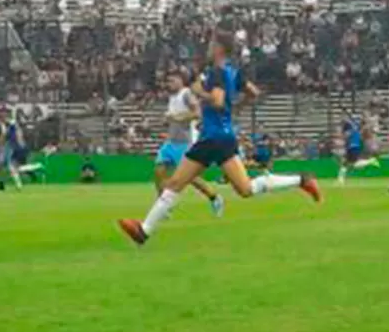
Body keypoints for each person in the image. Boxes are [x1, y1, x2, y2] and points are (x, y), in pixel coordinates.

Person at [118, 32, 322, 246]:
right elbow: (253, 92)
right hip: (222, 137)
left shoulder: (216, 72)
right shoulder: (234, 72)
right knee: (245, 189)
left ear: (219, 49)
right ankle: (301, 180)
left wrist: (199, 92)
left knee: (177, 183)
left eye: (212, 44)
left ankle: (144, 230)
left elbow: (217, 101)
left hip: (212, 138)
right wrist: (235, 109)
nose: (208, 47)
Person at [154, 70, 225, 217]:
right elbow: (174, 118)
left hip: (183, 143)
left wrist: (177, 117)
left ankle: (214, 197)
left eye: (172, 80)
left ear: (181, 81)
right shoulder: (172, 97)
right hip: (171, 142)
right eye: (168, 81)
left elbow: (197, 113)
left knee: (190, 178)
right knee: (159, 172)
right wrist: (167, 120)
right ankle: (164, 208)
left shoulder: (186, 94)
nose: (169, 84)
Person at [337, 115, 380, 184]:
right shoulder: (356, 126)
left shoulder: (352, 128)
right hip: (352, 146)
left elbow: (347, 135)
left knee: (354, 164)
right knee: (345, 163)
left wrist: (345, 136)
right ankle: (340, 180)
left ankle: (370, 161)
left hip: (353, 146)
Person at [0, 109, 29, 192]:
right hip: (11, 147)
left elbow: (6, 135)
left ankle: (36, 167)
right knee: (3, 166)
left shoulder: (11, 124)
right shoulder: (7, 126)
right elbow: (4, 137)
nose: (2, 118)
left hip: (15, 147)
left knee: (11, 166)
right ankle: (2, 184)